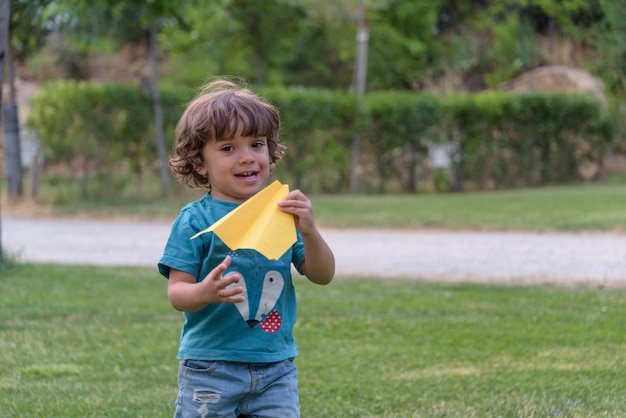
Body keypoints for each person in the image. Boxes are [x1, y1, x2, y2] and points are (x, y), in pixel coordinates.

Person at [158, 78, 335, 418]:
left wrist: (310, 233)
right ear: (199, 162)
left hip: (276, 367)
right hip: (211, 367)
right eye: (228, 148)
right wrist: (206, 291)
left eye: (256, 144)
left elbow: (322, 274)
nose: (247, 158)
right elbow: (177, 292)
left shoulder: (281, 211)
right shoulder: (194, 221)